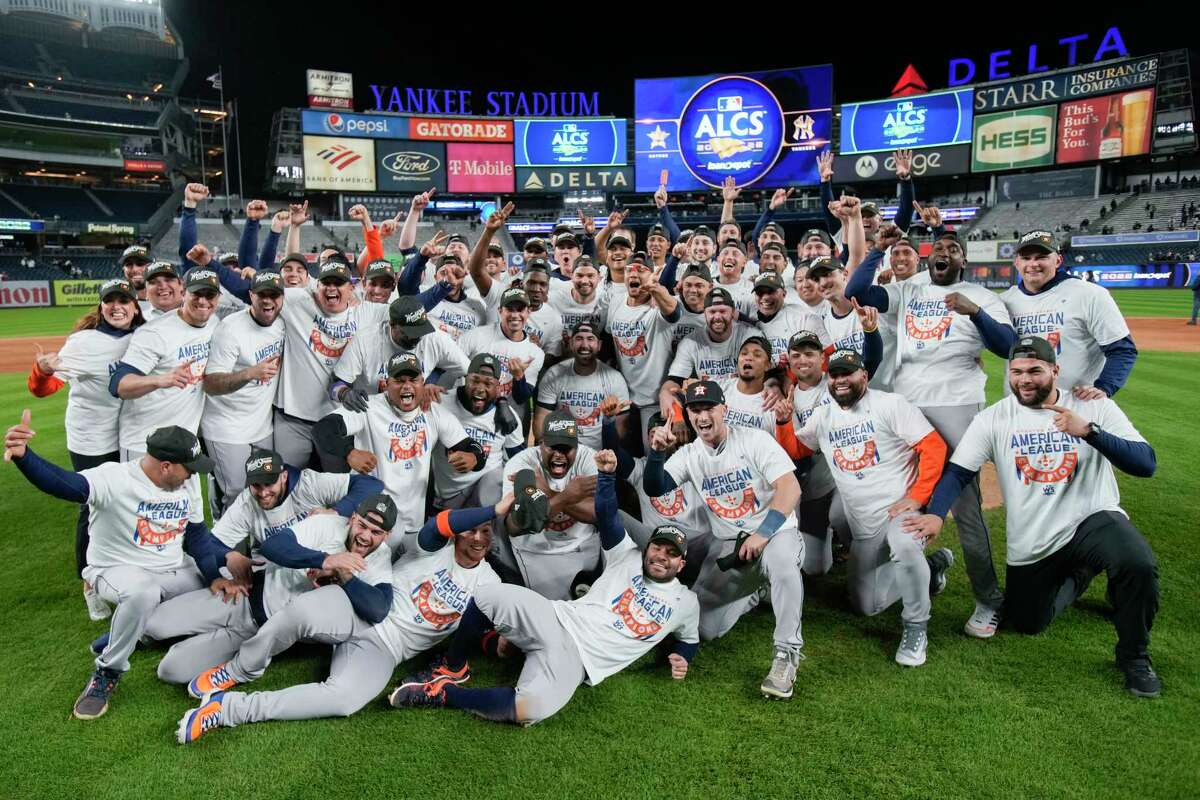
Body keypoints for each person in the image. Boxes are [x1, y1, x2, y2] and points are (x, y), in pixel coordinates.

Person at [903, 336, 1161, 697]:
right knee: (1028, 623)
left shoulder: (1092, 407)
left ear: (1055, 370)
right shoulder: (993, 419)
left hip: (1091, 517)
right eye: (1017, 371)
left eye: (1035, 371)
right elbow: (959, 472)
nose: (1025, 379)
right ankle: (1083, 571)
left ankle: (1134, 657)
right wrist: (935, 514)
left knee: (1137, 563)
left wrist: (1088, 431)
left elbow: (1145, 463)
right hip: (1034, 538)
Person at [386, 450, 698, 726]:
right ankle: (452, 667)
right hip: (555, 617)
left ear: (681, 565)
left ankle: (445, 694)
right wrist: (604, 477)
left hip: (578, 662)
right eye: (658, 548)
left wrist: (683, 655)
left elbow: (689, 638)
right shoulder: (626, 556)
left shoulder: (686, 602)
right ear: (648, 549)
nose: (661, 556)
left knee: (529, 709)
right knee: (485, 596)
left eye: (671, 554)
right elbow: (606, 514)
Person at [176, 493, 498, 742]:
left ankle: (227, 709)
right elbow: (440, 524)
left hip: (386, 649)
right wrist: (496, 510)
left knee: (344, 700)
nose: (478, 538)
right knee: (301, 611)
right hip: (350, 611)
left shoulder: (490, 585)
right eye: (471, 529)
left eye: (486, 531)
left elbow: (492, 633)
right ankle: (240, 668)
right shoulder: (430, 548)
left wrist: (502, 644)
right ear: (458, 533)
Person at [4, 421, 244, 720]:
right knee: (142, 594)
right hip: (117, 570)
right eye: (190, 467)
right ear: (166, 466)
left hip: (172, 568)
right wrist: (25, 457)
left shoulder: (186, 482)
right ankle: (107, 671)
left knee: (228, 590)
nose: (194, 473)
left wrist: (214, 577)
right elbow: (64, 484)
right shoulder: (114, 478)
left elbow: (195, 535)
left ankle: (137, 632)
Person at [846, 227, 1017, 639]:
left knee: (964, 503)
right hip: (906, 403)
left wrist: (974, 311)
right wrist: (879, 249)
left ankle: (988, 599)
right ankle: (918, 566)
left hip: (955, 403)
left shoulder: (983, 295)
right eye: (938, 248)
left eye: (953, 250)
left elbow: (1009, 344)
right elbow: (857, 290)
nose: (944, 253)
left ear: (963, 261)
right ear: (928, 257)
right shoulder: (910, 289)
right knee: (901, 490)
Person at [773, 350, 953, 667]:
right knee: (866, 606)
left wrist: (918, 496)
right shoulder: (824, 416)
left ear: (864, 377)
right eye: (835, 375)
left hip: (900, 511)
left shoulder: (890, 405)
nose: (841, 380)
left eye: (848, 374)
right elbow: (797, 450)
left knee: (904, 545)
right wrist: (784, 421)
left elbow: (934, 446)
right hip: (864, 521)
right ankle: (931, 569)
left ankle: (915, 627)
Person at [643, 381, 804, 699]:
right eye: (695, 410)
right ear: (688, 415)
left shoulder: (754, 440)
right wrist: (657, 454)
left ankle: (786, 656)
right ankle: (754, 591)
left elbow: (790, 489)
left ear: (724, 410)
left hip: (775, 532)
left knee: (783, 566)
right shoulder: (690, 454)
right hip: (730, 544)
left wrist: (763, 533)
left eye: (709, 408)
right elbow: (655, 487)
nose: (703, 417)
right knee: (705, 629)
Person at [25, 277, 146, 619]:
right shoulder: (83, 342)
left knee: (127, 505)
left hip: (129, 437)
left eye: (124, 300)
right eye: (110, 301)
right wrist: (40, 370)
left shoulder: (143, 337)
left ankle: (122, 571)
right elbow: (43, 389)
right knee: (92, 508)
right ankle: (89, 584)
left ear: (135, 307)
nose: (117, 306)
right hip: (91, 438)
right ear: (102, 307)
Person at [312, 352, 483, 548]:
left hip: (413, 523)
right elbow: (322, 430)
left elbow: (472, 447)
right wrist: (349, 453)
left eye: (413, 380)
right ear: (386, 384)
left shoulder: (433, 412)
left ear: (423, 382)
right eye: (399, 381)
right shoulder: (368, 407)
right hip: (371, 521)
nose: (407, 386)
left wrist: (474, 457)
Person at [1000, 231, 1138, 396]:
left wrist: (1104, 388)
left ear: (1058, 260)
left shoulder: (1089, 294)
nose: (1033, 263)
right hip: (1018, 406)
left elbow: (1122, 349)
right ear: (1016, 262)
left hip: (1075, 406)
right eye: (1026, 258)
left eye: (1041, 257)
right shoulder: (1004, 300)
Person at [111, 268, 222, 461]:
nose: (203, 301)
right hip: (144, 442)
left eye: (209, 295)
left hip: (185, 442)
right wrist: (161, 380)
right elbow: (118, 386)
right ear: (183, 292)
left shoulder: (213, 322)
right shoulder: (155, 333)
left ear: (218, 298)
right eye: (196, 294)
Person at [201, 272, 286, 513]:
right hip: (226, 428)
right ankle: (225, 549)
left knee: (267, 490)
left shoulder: (281, 323)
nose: (268, 301)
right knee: (236, 494)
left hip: (262, 426)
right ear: (251, 296)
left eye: (274, 295)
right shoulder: (230, 330)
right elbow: (212, 384)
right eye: (262, 295)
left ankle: (259, 549)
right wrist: (250, 373)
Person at [499, 411, 599, 599]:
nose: (559, 455)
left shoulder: (589, 460)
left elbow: (597, 514)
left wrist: (550, 494)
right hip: (536, 551)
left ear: (577, 448)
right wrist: (570, 496)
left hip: (582, 545)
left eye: (566, 448)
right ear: (541, 444)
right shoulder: (521, 464)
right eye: (553, 447)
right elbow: (516, 526)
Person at [431, 354, 525, 511]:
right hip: (446, 493)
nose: (480, 389)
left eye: (488, 384)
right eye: (475, 381)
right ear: (465, 379)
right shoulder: (441, 402)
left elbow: (521, 460)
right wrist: (426, 388)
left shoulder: (508, 418)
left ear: (498, 387)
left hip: (485, 492)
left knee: (496, 478)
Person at [605, 252, 681, 445]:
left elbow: (674, 312)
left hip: (655, 402)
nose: (633, 274)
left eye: (641, 270)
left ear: (651, 275)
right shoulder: (616, 301)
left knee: (654, 454)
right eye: (629, 269)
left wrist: (656, 289)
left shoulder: (657, 306)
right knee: (622, 457)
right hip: (625, 401)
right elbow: (608, 343)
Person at [535, 320, 631, 450]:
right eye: (579, 339)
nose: (585, 345)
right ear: (571, 343)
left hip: (600, 453)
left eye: (590, 339)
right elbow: (542, 418)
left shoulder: (614, 379)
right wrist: (548, 449)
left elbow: (621, 431)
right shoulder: (554, 374)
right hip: (562, 450)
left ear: (599, 345)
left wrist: (607, 454)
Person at [458, 287, 546, 404]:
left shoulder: (535, 353)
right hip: (466, 402)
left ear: (528, 312)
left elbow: (521, 399)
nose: (515, 315)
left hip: (500, 411)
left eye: (520, 310)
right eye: (510, 309)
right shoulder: (476, 335)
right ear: (500, 311)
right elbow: (447, 362)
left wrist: (519, 376)